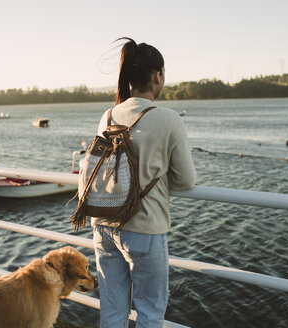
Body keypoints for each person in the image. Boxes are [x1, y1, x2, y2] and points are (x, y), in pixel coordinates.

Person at [92, 37, 197, 328]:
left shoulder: (109, 114)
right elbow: (186, 180)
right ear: (157, 76)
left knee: (112, 310)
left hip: (104, 222)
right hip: (145, 227)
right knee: (150, 312)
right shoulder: (167, 118)